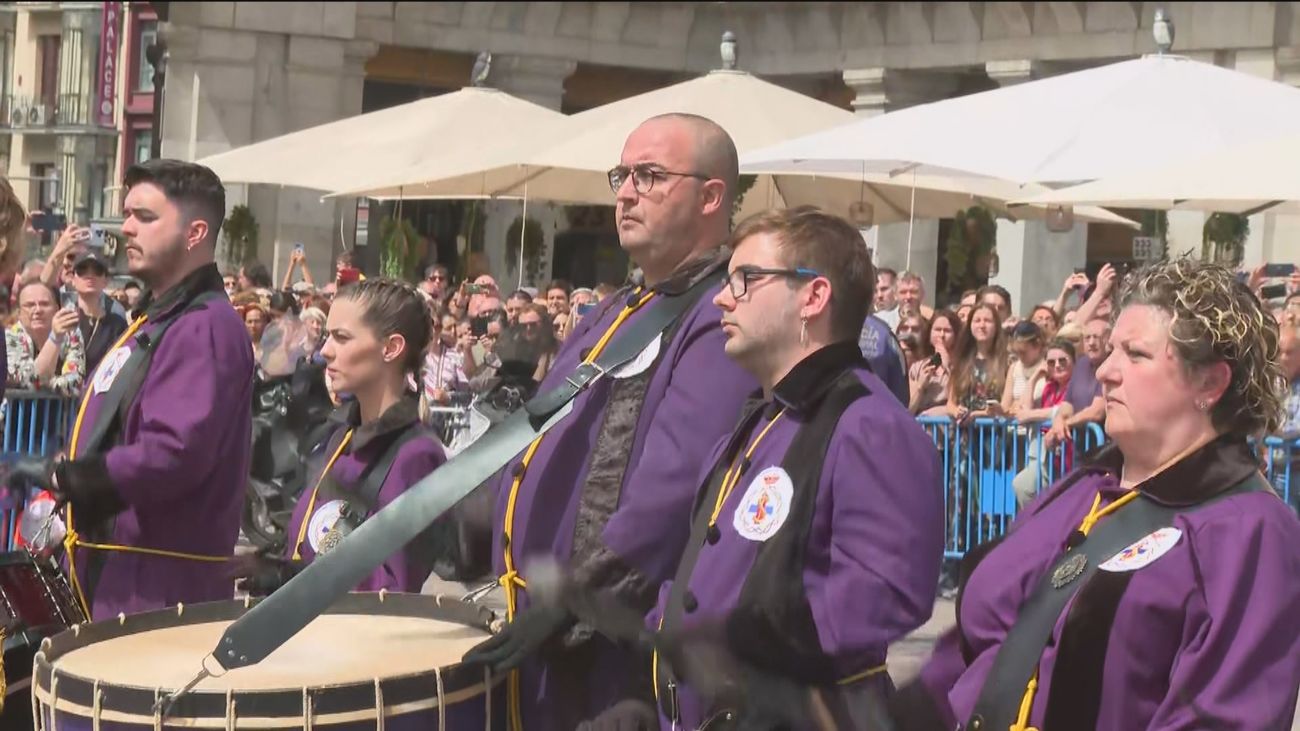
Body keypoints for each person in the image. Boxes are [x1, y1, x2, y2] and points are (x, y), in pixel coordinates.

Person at [893, 258, 1300, 730]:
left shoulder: (1249, 533)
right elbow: (969, 651)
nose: (1105, 371)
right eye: (1110, 351)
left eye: (1136, 355)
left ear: (1209, 382)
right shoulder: (1080, 489)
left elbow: (1222, 716)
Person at [460, 113, 758, 730]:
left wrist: (571, 600)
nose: (624, 192)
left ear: (711, 196)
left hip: (614, 655)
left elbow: (672, 490)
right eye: (622, 174)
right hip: (536, 629)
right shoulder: (617, 310)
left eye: (649, 176)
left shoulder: (718, 315)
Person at [619, 207, 944, 730]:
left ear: (812, 297)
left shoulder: (869, 425)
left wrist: (753, 667)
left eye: (746, 280)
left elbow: (886, 592)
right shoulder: (760, 419)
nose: (723, 298)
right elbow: (706, 576)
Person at [5, 159, 254, 621]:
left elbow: (172, 454)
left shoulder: (205, 327)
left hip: (156, 599)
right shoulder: (160, 320)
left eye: (145, 216)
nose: (126, 228)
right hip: (115, 585)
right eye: (127, 214)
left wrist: (76, 478)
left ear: (195, 233)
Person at [237, 279, 445, 594]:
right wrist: (271, 563)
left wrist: (293, 579)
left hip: (351, 640)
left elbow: (391, 590)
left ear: (390, 348)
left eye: (342, 338)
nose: (325, 351)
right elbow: (324, 547)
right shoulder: (341, 437)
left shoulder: (415, 455)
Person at [1012, 339, 1078, 507]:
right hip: (1046, 456)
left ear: (1073, 361)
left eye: (1062, 360)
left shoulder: (1075, 385)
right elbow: (1023, 408)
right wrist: (1034, 377)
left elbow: (1060, 410)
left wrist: (1031, 415)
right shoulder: (1049, 387)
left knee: (1025, 486)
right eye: (1051, 362)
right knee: (1025, 486)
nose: (1057, 365)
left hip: (1068, 455)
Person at [5, 280, 85, 396]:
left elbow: (74, 382)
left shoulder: (71, 334)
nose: (38, 310)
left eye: (44, 304)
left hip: (59, 412)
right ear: (19, 313)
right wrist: (55, 338)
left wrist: (45, 384)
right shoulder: (10, 337)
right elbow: (31, 381)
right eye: (29, 305)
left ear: (57, 309)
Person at [946, 303, 1008, 424]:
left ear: (996, 326)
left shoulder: (1007, 361)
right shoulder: (961, 360)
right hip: (964, 435)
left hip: (994, 434)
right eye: (977, 321)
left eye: (988, 321)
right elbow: (950, 403)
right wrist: (956, 411)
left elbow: (1007, 406)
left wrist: (978, 414)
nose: (982, 325)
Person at [70, 252, 129, 374]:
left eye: (97, 271)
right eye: (82, 270)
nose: (90, 275)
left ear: (105, 281)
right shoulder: (63, 318)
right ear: (73, 280)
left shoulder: (117, 325)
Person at [908, 309, 959, 416]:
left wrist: (948, 366)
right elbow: (909, 410)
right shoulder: (917, 368)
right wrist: (920, 386)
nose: (941, 335)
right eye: (937, 330)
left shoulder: (962, 366)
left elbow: (958, 402)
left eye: (947, 330)